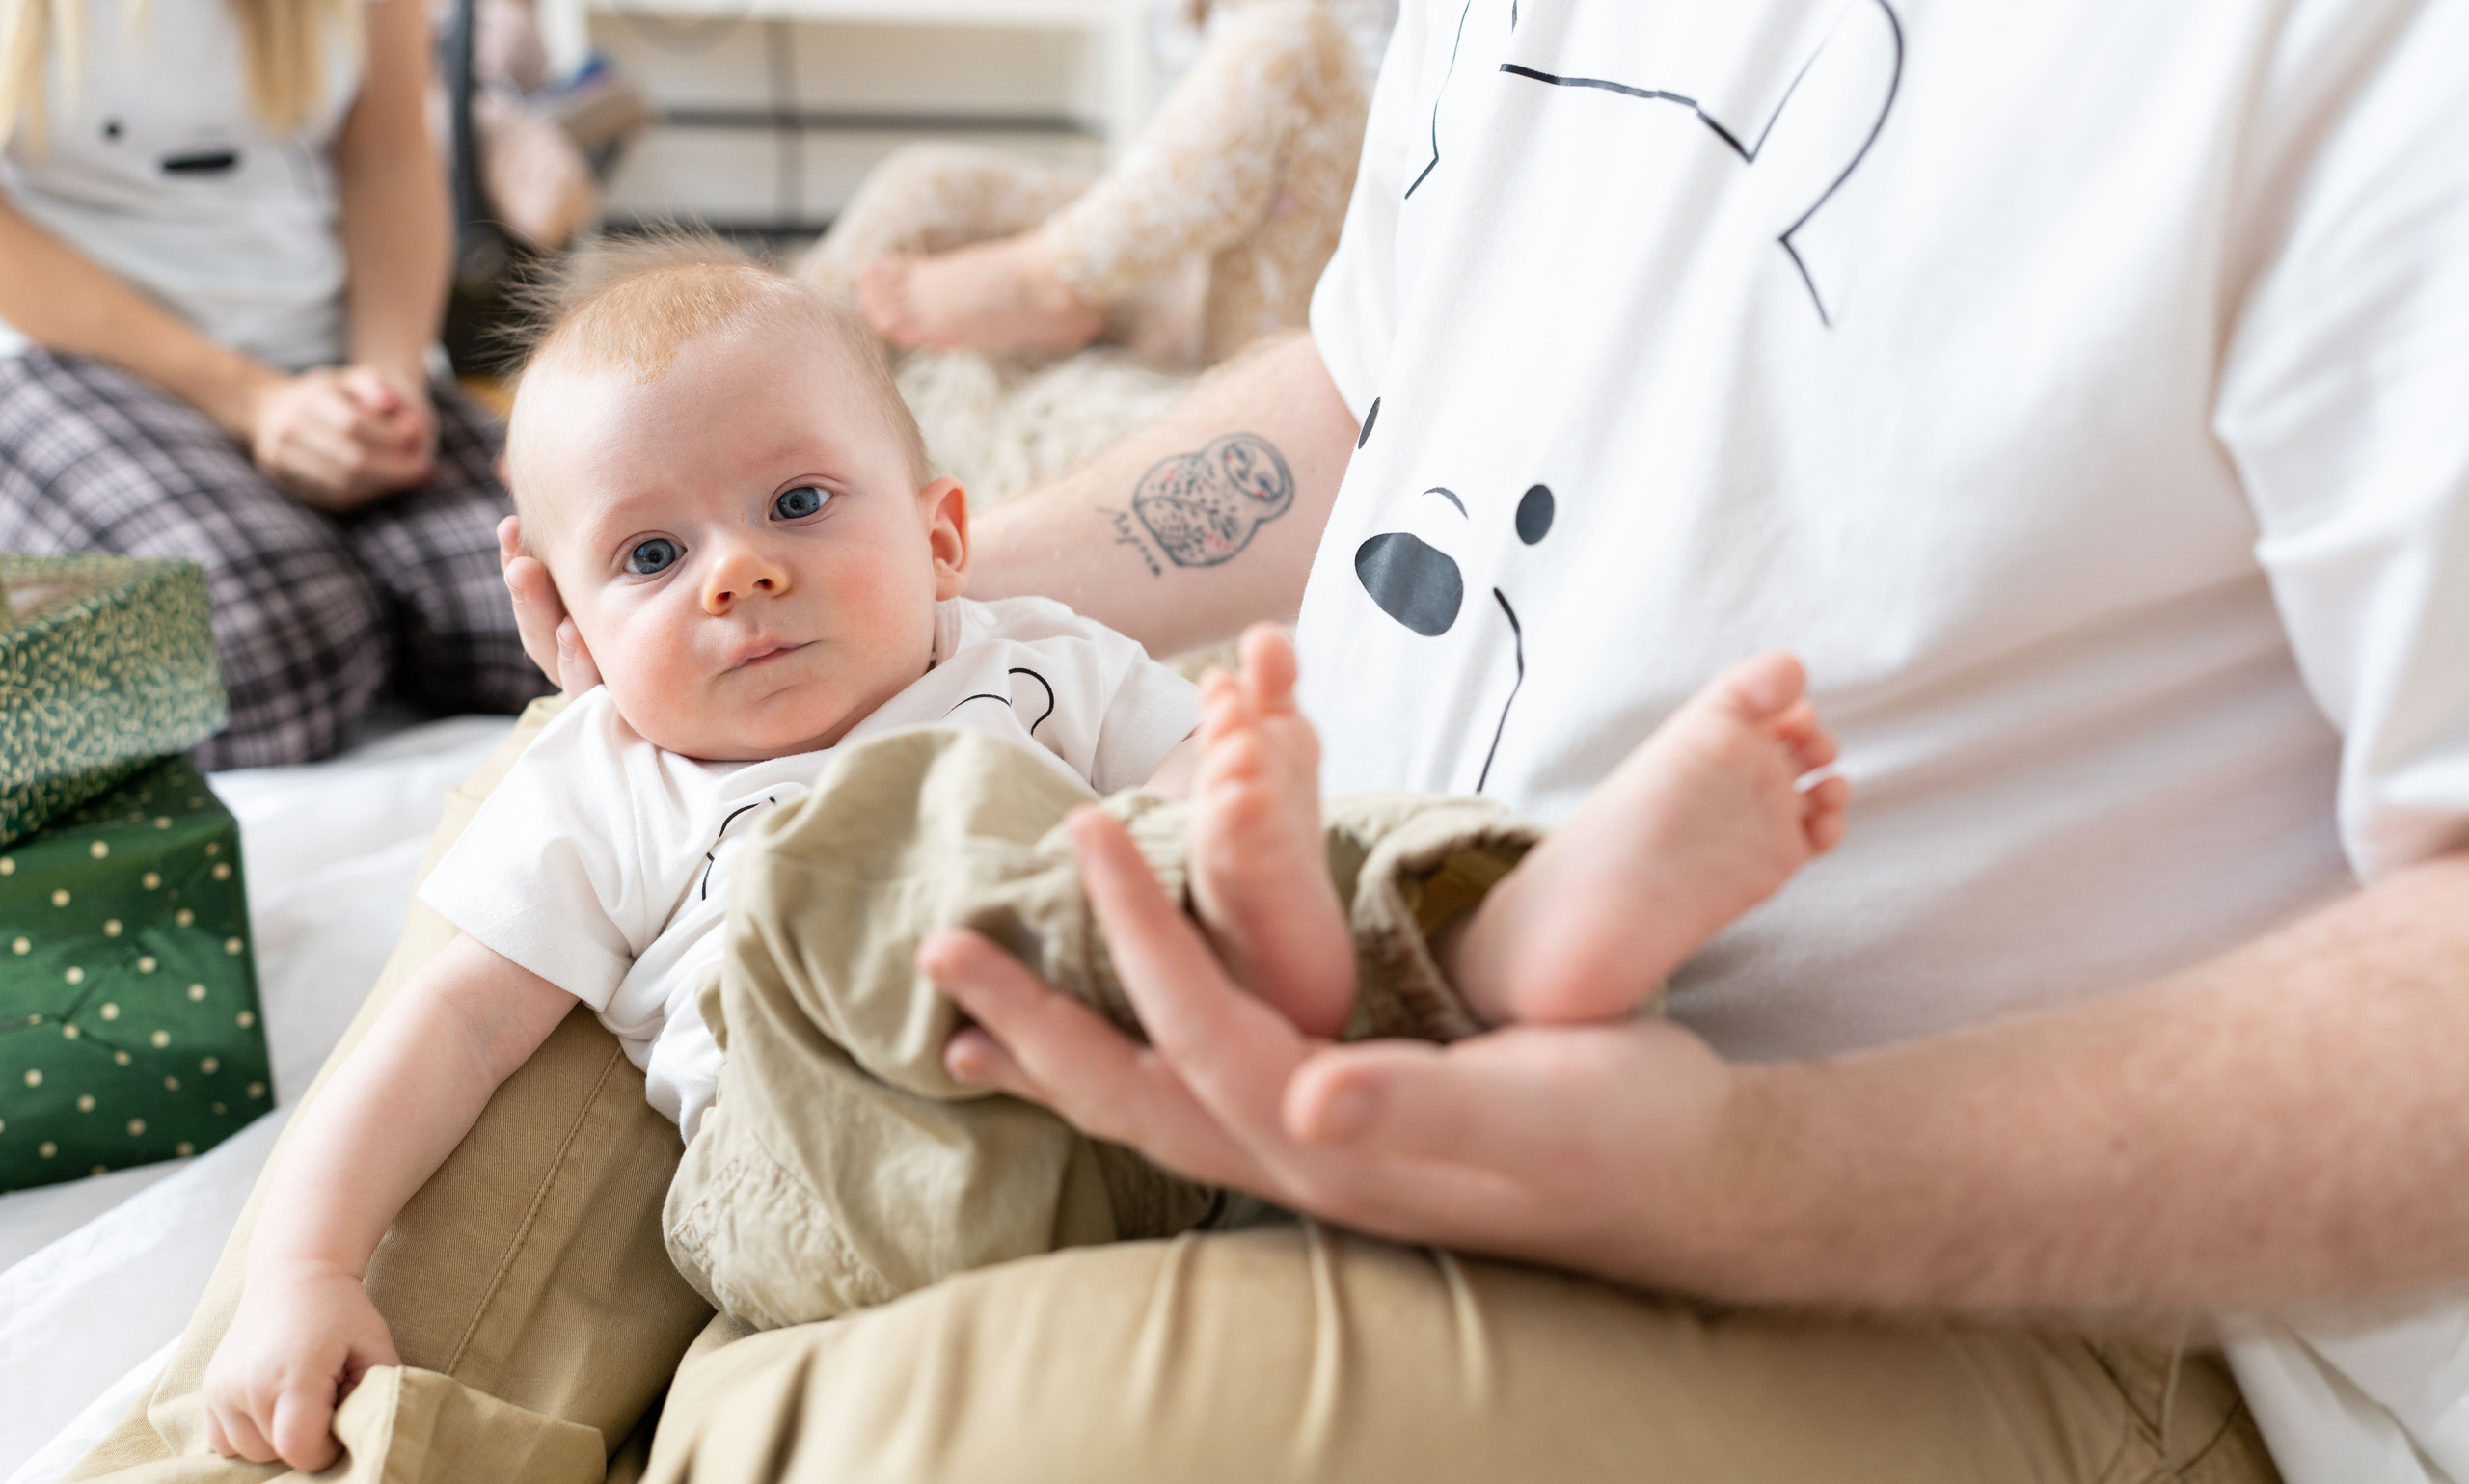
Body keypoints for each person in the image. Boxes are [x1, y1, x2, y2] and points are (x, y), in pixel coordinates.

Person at [503, 0, 2469, 1477]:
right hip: (1309, 1009)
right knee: (491, 1123)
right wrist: (848, 636)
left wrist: (1747, 1173)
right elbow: (1382, 386)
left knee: (854, 1428)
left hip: (1998, 1263)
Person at [200, 244, 1848, 1468]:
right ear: (561, 621)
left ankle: (1506, 918)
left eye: (798, 500)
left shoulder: (1031, 655)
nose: (739, 576)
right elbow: (448, 1030)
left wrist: (1233, 774)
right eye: (651, 550)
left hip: (1174, 1091)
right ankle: (1314, 919)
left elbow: (1194, 767)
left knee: (1240, 833)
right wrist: (302, 1264)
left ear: (937, 537)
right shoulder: (607, 782)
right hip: (846, 1160)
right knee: (892, 860)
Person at [0, 0, 549, 769]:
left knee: (574, 607)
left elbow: (387, 156)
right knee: (271, 663)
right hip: (72, 358)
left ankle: (355, 601)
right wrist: (254, 402)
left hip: (322, 347)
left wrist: (388, 384)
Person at [800, 0, 1383, 366]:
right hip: (1182, 265)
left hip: (1297, 299)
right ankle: (765, 359)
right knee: (926, 184)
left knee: (1293, 32)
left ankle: (1044, 279)